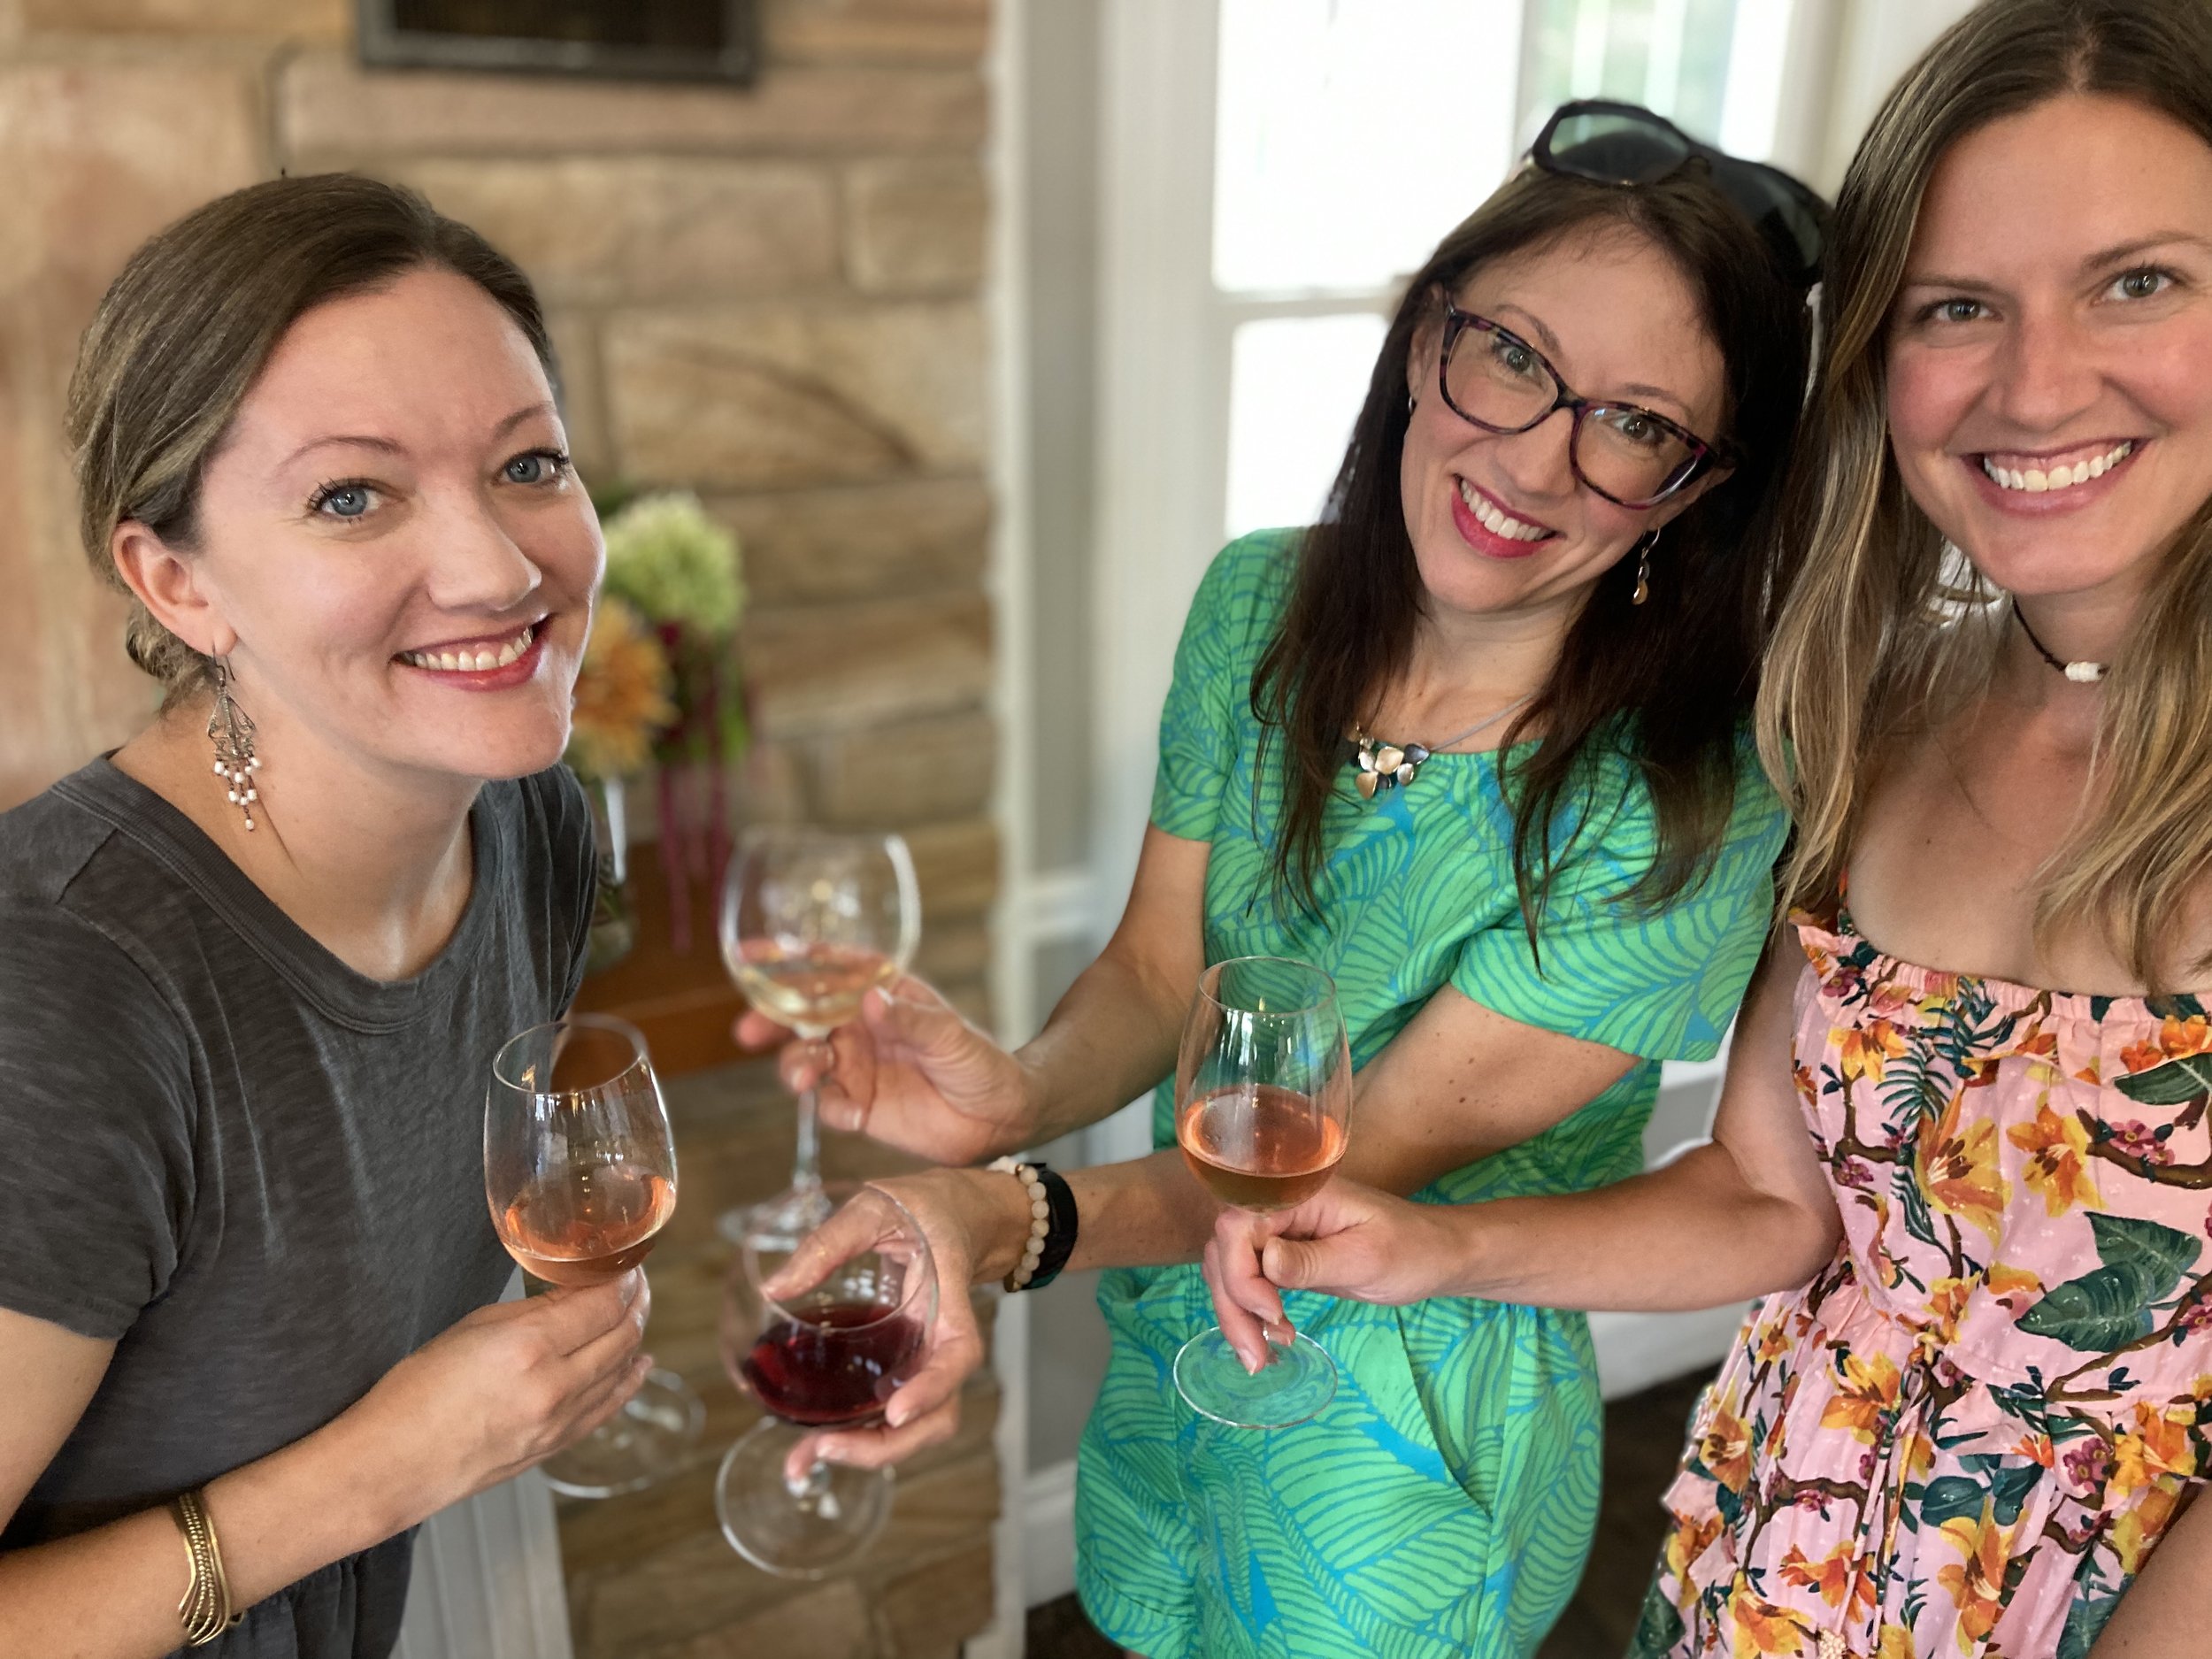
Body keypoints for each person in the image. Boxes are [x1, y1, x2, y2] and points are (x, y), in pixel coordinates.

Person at [747, 106, 1823, 1657]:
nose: (1534, 458)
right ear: (1423, 335)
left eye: (1638, 424)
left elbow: (1315, 1167)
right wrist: (1010, 1093)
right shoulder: (1260, 601)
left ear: (1701, 487)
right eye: (1510, 354)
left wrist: (1005, 1217)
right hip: (1175, 1349)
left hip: (1405, 1435)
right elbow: (1157, 974)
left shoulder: (1685, 797)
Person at [1204, 4, 2212, 1654]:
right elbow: (1772, 1199)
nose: (2037, 383)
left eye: (2138, 281)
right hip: (1775, 1556)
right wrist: (1432, 1244)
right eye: (1960, 305)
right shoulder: (1871, 716)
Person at [0, 175, 650, 1659]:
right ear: (177, 584)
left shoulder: (527, 823)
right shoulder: (61, 983)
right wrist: (383, 1473)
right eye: (351, 495)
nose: (497, 568)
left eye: (530, 464)